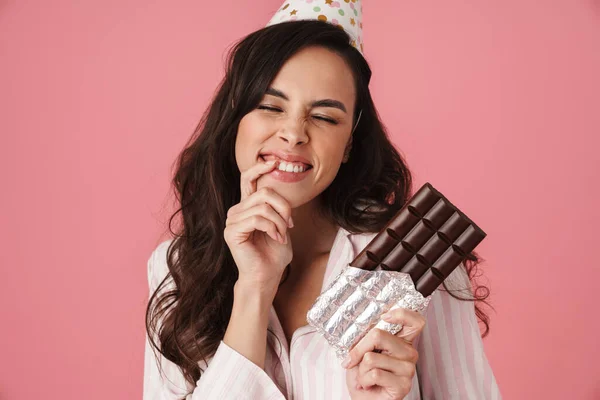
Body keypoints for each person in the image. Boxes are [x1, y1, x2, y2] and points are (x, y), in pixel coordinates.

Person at [144, 1, 502, 399]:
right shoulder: (177, 268)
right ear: (235, 119)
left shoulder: (417, 259)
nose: (294, 134)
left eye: (325, 117)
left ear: (349, 142)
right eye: (270, 106)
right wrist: (254, 288)